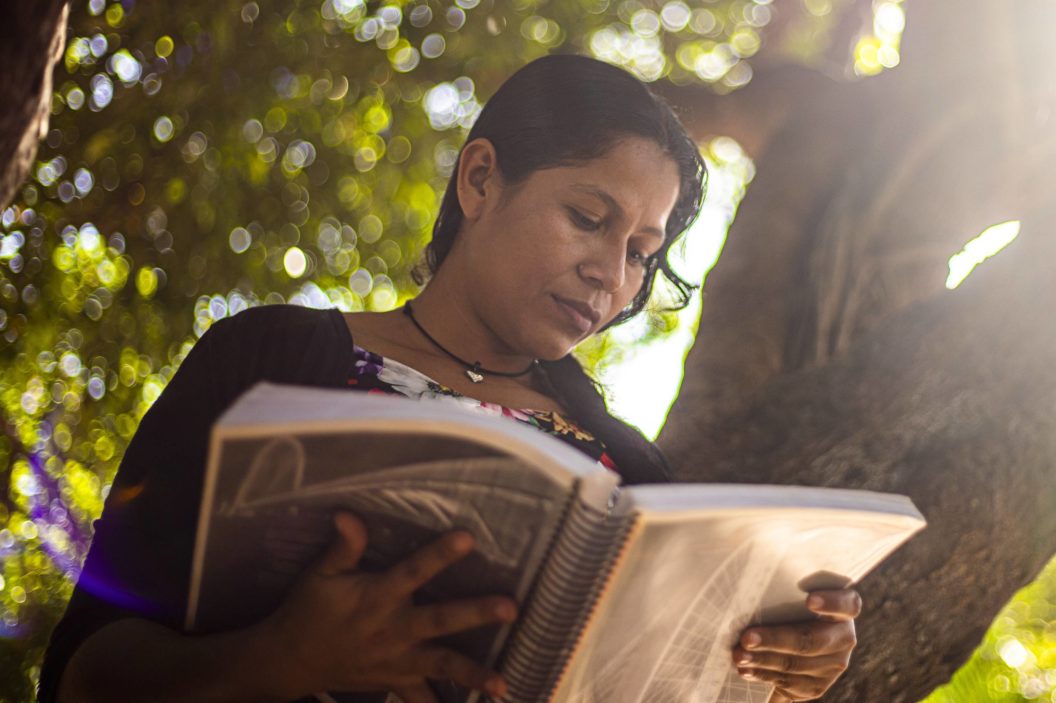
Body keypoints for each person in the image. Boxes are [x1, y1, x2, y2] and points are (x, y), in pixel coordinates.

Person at [39, 54, 861, 703]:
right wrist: (271, 657)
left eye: (641, 253)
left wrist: (783, 663)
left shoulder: (633, 478)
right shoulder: (267, 360)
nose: (611, 275)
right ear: (479, 180)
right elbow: (87, 669)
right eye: (588, 218)